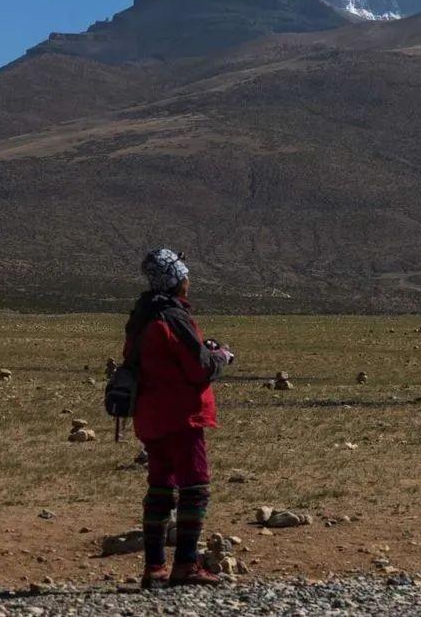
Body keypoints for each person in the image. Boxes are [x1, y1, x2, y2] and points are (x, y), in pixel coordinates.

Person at [123, 247, 233, 589]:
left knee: (160, 488)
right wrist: (220, 357)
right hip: (182, 416)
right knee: (194, 487)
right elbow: (197, 368)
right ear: (175, 279)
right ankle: (185, 564)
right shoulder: (174, 317)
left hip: (150, 417)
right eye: (184, 275)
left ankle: (154, 568)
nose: (188, 281)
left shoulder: (142, 316)